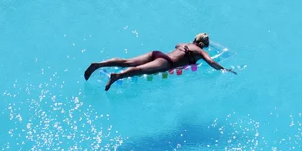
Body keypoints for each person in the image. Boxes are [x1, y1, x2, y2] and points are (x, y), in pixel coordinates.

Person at [84, 33, 237, 91]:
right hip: (166, 63)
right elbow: (211, 62)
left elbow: (177, 46)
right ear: (205, 45)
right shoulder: (201, 52)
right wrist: (224, 69)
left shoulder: (183, 44)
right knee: (140, 70)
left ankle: (99, 64)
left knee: (128, 61)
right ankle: (117, 76)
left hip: (157, 54)